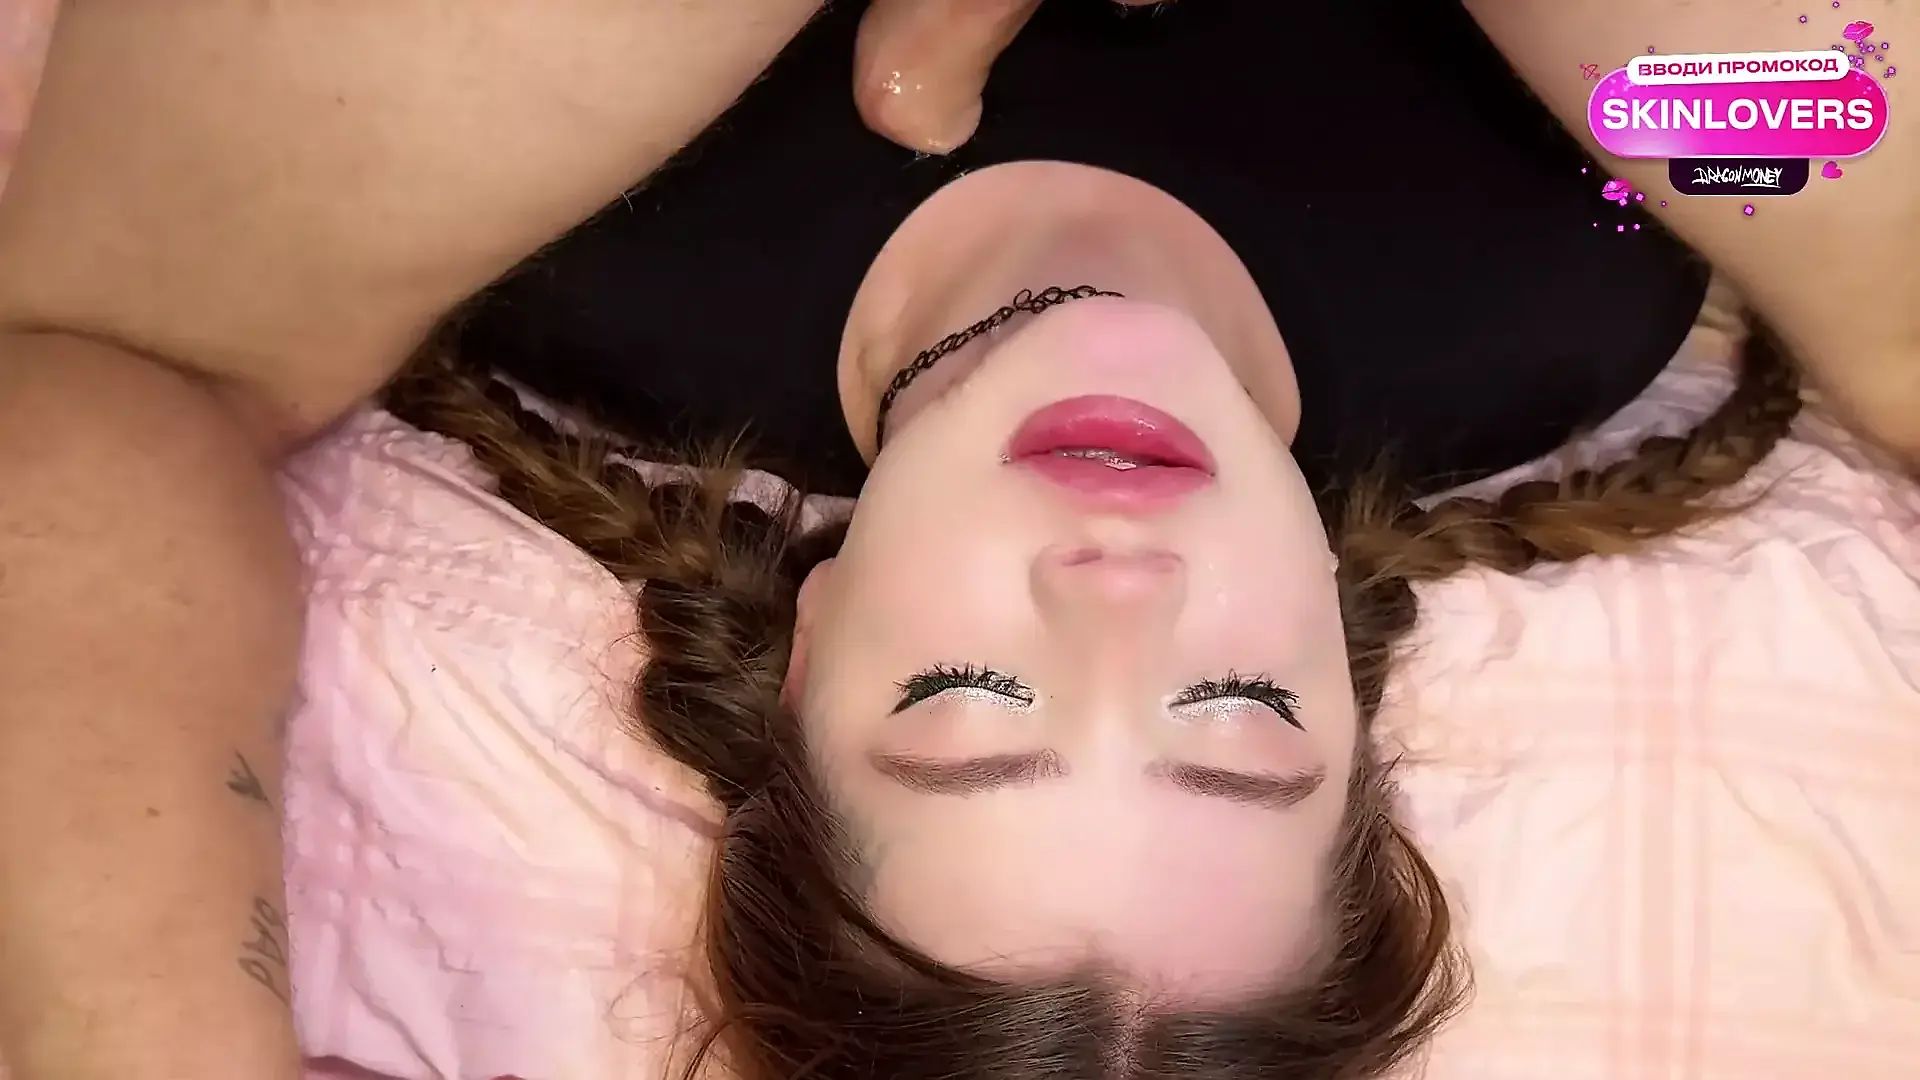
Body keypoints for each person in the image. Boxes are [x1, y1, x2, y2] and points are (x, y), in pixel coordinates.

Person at [0, 3, 1909, 1079]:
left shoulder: (617, 260)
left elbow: (92, 376)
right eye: (1239, 714)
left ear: (806, 657)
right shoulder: (1546, 291)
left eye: (973, 700)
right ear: (1352, 683)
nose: (1117, 590)